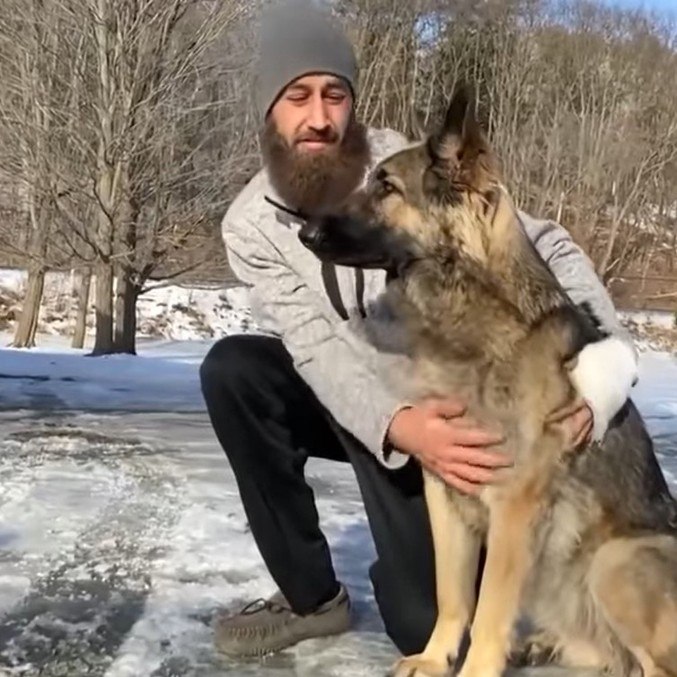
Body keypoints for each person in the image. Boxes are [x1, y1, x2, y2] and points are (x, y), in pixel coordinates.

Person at [199, 0, 639, 660]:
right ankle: (311, 598)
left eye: (333, 94)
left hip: (439, 401)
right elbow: (315, 347)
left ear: (352, 102)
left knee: (417, 622)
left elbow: (540, 239)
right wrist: (400, 424)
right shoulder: (250, 224)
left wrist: (607, 357)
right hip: (363, 405)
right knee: (234, 371)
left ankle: (502, 544)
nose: (318, 116)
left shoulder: (398, 163)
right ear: (268, 110)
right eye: (297, 96)